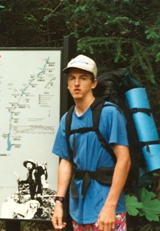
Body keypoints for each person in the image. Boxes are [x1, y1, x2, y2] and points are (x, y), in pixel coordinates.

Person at [51, 55, 131, 231]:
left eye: (83, 78)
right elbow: (65, 161)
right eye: (72, 78)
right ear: (67, 84)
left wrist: (110, 206)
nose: (77, 83)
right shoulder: (67, 120)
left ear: (93, 83)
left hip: (106, 209)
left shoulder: (109, 114)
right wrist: (58, 202)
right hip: (78, 210)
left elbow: (124, 160)